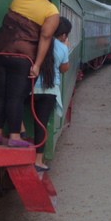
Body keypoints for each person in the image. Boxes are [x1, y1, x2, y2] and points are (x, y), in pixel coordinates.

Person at [0, 0, 61, 147]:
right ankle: (14, 137)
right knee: (15, 98)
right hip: (22, 57)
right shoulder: (51, 11)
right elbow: (45, 38)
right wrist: (37, 65)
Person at [31, 16, 71, 171]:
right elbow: (64, 69)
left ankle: (19, 133)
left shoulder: (37, 42)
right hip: (49, 90)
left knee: (15, 107)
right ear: (63, 35)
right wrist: (65, 47)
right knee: (41, 124)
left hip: (32, 88)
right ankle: (38, 160)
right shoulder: (62, 48)